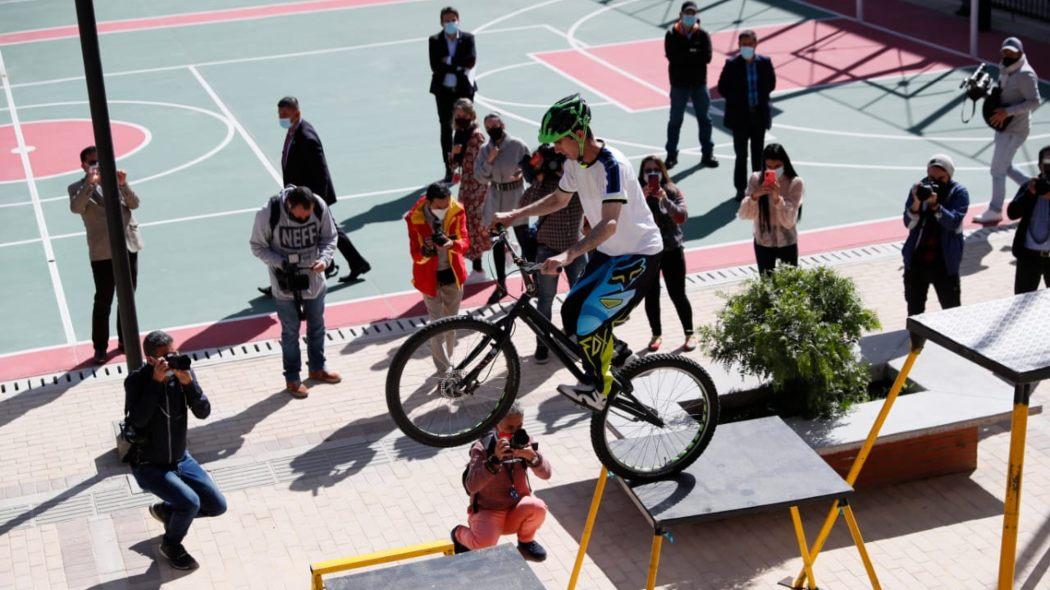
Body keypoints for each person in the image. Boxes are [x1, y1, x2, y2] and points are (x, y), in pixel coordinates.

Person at [492, 94, 663, 409]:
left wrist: (567, 255)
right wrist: (515, 215)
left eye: (558, 141)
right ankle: (606, 368)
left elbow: (609, 224)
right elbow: (559, 199)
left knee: (589, 320)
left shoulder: (613, 166)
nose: (555, 149)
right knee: (571, 312)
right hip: (610, 253)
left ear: (579, 134)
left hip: (639, 254)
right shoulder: (575, 162)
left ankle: (600, 388)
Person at [125, 331, 226, 571]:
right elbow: (138, 421)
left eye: (174, 353)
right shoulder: (137, 380)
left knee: (216, 506)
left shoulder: (183, 374)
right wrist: (155, 383)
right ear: (151, 359)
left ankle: (166, 510)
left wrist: (188, 384)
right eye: (165, 357)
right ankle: (171, 544)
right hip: (149, 465)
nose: (172, 359)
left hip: (181, 458)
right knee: (190, 503)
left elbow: (203, 412)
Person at [249, 186, 342, 398]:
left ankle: (317, 367)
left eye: (307, 217)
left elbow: (330, 237)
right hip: (284, 285)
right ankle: (292, 378)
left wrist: (325, 259)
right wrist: (280, 262)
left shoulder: (318, 205)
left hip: (315, 281)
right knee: (290, 333)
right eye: (300, 216)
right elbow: (257, 246)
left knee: (317, 327)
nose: (303, 219)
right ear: (289, 206)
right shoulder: (268, 213)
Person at [276, 96, 370, 284]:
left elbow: (320, 171)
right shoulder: (294, 131)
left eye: (285, 114)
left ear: (297, 113)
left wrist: (317, 201)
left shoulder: (306, 137)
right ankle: (353, 263)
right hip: (304, 195)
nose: (281, 118)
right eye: (279, 114)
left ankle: (350, 263)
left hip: (311, 197)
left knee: (326, 230)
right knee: (328, 230)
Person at [68, 146, 143, 365]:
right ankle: (100, 347)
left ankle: (125, 340)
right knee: (103, 300)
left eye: (99, 160)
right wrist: (90, 183)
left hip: (128, 245)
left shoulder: (116, 180)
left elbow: (135, 204)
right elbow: (76, 207)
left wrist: (123, 185)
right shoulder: (76, 188)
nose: (97, 165)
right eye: (92, 162)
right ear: (83, 165)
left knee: (127, 297)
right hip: (102, 252)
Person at [452, 403, 550, 562]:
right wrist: (494, 460)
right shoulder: (483, 447)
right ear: (496, 424)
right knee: (484, 547)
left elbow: (547, 474)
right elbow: (471, 486)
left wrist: (532, 458)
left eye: (519, 426)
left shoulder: (526, 442)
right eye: (509, 428)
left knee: (538, 507)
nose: (515, 433)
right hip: (488, 511)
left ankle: (525, 544)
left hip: (516, 509)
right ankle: (459, 534)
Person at [518, 144, 586, 364]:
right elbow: (523, 204)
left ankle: (576, 338)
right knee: (545, 300)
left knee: (580, 297)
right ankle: (543, 343)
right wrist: (539, 180)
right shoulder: (544, 183)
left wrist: (566, 173)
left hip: (575, 249)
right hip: (548, 249)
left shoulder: (577, 178)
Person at [973, 37, 1042, 224]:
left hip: (1015, 129)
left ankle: (995, 210)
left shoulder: (1025, 74)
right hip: (1004, 126)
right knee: (1006, 166)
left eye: (1011, 51)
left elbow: (1035, 101)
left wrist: (1008, 112)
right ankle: (1034, 189)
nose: (1007, 54)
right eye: (1005, 51)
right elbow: (1005, 94)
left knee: (997, 170)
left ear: (1020, 52)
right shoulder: (1006, 68)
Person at [406, 182, 470, 371]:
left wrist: (451, 244)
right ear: (429, 202)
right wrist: (426, 252)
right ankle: (444, 371)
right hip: (429, 278)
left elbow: (465, 242)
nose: (444, 209)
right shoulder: (414, 218)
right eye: (439, 207)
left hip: (453, 275)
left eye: (446, 205)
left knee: (451, 324)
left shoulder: (457, 211)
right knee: (436, 326)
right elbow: (414, 254)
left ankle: (450, 360)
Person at [638, 156, 695, 352]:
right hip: (648, 252)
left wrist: (664, 199)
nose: (652, 174)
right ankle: (656, 334)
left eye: (656, 169)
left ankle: (689, 333)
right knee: (651, 295)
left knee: (678, 293)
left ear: (662, 171)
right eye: (647, 170)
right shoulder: (636, 193)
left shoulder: (672, 191)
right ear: (642, 173)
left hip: (672, 249)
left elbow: (682, 216)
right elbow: (625, 216)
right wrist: (642, 198)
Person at [474, 113, 532, 304]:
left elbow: (532, 169)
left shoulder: (517, 145)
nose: (492, 130)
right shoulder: (485, 150)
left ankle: (530, 281)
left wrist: (523, 172)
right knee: (497, 244)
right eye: (488, 127)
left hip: (516, 197)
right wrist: (490, 160)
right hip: (496, 197)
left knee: (524, 241)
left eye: (495, 125)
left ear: (503, 125)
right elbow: (480, 178)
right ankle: (501, 285)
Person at [902, 155, 970, 315]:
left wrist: (935, 206)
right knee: (914, 313)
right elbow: (909, 224)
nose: (935, 182)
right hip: (917, 262)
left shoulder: (959, 193)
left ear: (950, 175)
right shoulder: (918, 189)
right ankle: (915, 340)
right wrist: (917, 202)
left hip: (944, 264)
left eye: (941, 178)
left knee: (951, 312)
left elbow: (952, 223)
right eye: (931, 177)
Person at [717, 29, 776, 201]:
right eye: (744, 44)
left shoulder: (765, 63)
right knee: (741, 155)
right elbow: (722, 87)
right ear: (739, 45)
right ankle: (740, 188)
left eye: (750, 44)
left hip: (758, 115)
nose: (747, 47)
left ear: (755, 44)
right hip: (740, 118)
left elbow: (771, 84)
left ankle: (758, 186)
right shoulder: (732, 64)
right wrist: (737, 100)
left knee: (758, 154)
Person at [664, 1, 717, 170]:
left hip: (699, 84)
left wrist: (686, 55)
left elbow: (707, 58)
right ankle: (671, 154)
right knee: (675, 120)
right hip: (679, 85)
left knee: (705, 120)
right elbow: (673, 57)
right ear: (681, 15)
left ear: (696, 16)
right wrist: (693, 54)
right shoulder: (672, 34)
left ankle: (707, 153)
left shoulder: (702, 35)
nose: (690, 16)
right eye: (687, 13)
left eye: (693, 13)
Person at [737, 143, 804, 275]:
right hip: (763, 240)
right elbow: (744, 214)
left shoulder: (795, 182)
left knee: (790, 284)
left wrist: (777, 199)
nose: (773, 170)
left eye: (778, 167)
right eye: (769, 167)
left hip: (787, 240)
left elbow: (790, 221)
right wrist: (755, 195)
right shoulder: (756, 179)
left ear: (785, 163)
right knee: (767, 285)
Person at [429, 6, 477, 182]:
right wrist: (458, 64)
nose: (450, 23)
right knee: (446, 129)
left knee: (466, 126)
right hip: (444, 92)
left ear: (458, 20)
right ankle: (449, 167)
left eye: (453, 19)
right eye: (447, 20)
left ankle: (467, 163)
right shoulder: (434, 41)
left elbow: (471, 61)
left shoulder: (468, 38)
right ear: (442, 22)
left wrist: (448, 62)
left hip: (464, 91)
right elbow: (435, 66)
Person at [450, 99, 491, 282]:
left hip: (477, 186)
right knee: (469, 224)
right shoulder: (458, 133)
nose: (460, 118)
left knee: (475, 225)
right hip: (466, 186)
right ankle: (504, 247)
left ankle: (478, 268)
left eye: (463, 115)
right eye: (457, 115)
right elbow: (453, 165)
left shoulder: (476, 137)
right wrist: (455, 153)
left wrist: (462, 155)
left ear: (470, 115)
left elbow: (479, 165)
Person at [1006, 146, 1050, 293]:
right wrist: (1029, 193)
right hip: (1029, 256)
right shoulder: (1031, 186)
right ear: (1039, 166)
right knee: (1021, 302)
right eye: (1047, 161)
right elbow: (1012, 213)